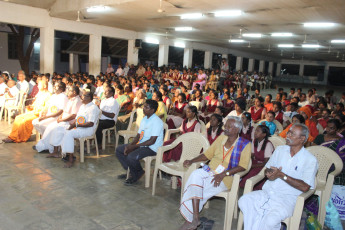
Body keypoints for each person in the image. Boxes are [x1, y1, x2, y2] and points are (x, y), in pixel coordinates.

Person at [239, 123, 318, 230]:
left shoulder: (310, 160)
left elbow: (305, 187)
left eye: (292, 134)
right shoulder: (280, 150)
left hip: (287, 199)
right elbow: (267, 168)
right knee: (244, 201)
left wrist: (281, 175)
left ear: (302, 139)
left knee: (270, 221)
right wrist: (269, 173)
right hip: (268, 192)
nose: (287, 135)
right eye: (288, 132)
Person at [179, 117, 251, 230]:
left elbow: (243, 166)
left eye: (229, 126)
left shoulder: (245, 144)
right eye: (225, 125)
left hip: (226, 177)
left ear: (237, 130)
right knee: (195, 175)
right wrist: (192, 160)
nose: (225, 128)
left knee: (198, 188)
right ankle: (195, 217)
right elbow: (207, 155)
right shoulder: (221, 138)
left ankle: (191, 220)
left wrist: (223, 174)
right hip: (210, 170)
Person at [116, 99, 164, 185]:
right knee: (119, 150)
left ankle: (137, 173)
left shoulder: (157, 122)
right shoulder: (145, 118)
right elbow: (139, 135)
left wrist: (134, 147)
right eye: (144, 106)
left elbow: (152, 141)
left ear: (152, 110)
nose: (143, 109)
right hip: (142, 144)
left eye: (146, 107)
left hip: (152, 148)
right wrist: (131, 145)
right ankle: (131, 171)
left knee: (131, 156)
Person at [34, 86, 82, 154]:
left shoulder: (77, 101)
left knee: (54, 129)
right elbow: (64, 111)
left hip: (69, 123)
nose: (67, 92)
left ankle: (49, 149)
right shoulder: (71, 99)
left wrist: (62, 120)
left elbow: (73, 115)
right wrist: (61, 117)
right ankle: (43, 146)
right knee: (49, 127)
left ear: (74, 92)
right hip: (64, 121)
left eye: (69, 91)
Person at [60, 91, 100, 168]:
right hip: (79, 127)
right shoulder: (82, 106)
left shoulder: (93, 108)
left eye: (84, 96)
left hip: (88, 129)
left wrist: (76, 125)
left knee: (69, 134)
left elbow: (90, 123)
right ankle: (66, 154)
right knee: (64, 130)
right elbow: (77, 118)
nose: (81, 97)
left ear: (89, 98)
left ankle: (70, 159)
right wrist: (72, 125)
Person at [240, 125, 274, 189]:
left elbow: (266, 163)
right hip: (255, 163)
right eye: (255, 130)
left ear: (264, 134)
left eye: (258, 131)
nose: (255, 132)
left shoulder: (268, 144)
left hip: (263, 166)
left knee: (248, 179)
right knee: (243, 169)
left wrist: (251, 166)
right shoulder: (254, 141)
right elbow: (252, 155)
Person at [312, 119, 345, 185]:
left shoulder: (340, 141)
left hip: (333, 165)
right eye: (327, 127)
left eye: (331, 128)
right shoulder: (320, 137)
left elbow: (341, 157)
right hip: (318, 161)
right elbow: (313, 150)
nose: (328, 129)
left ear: (337, 130)